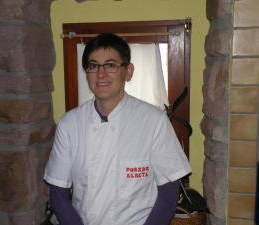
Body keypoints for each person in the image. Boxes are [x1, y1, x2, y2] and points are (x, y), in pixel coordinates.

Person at [44, 33, 191, 225]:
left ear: (128, 71)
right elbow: (58, 193)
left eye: (111, 65)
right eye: (93, 66)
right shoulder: (69, 124)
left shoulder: (154, 121)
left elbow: (169, 193)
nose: (101, 74)